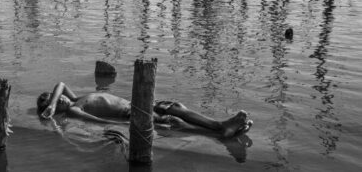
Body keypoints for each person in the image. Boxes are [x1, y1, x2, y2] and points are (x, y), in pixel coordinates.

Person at [38, 82, 252, 138]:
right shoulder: (74, 109)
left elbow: (60, 83)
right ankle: (220, 130)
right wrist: (127, 125)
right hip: (130, 113)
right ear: (55, 111)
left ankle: (221, 126)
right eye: (57, 102)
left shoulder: (75, 97)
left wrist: (53, 102)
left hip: (138, 102)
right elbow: (99, 122)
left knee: (176, 107)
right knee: (172, 121)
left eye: (58, 98)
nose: (63, 99)